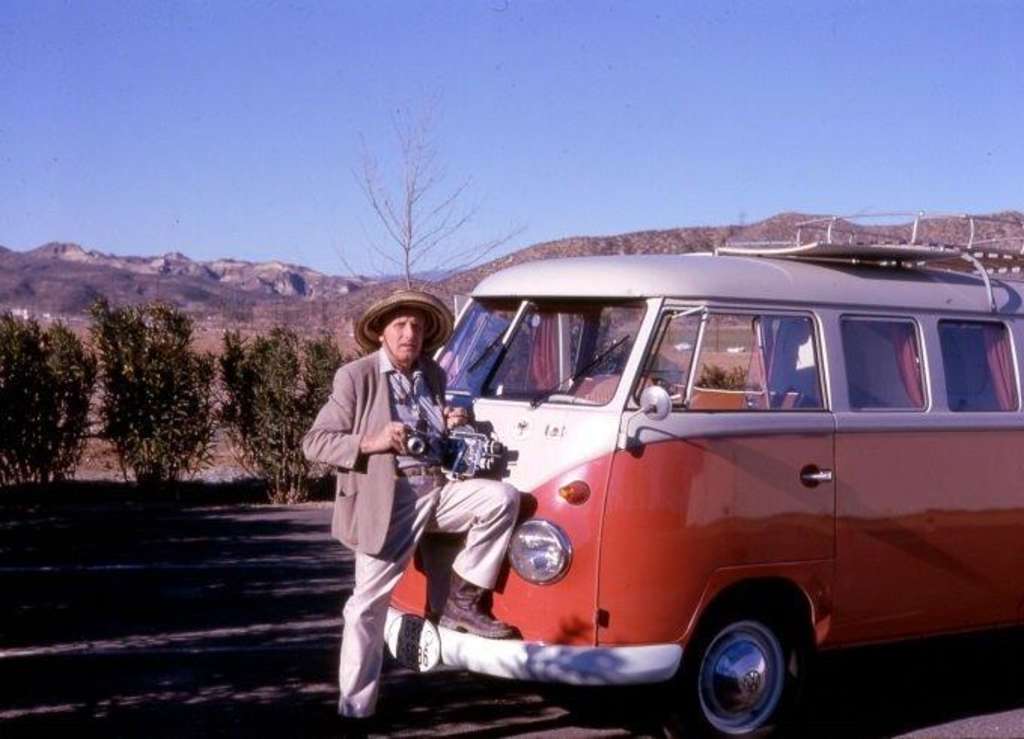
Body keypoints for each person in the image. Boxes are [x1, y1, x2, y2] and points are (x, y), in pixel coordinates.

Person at [302, 289, 520, 722]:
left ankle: (463, 599)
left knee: (501, 499)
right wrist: (373, 441)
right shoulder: (357, 377)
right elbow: (315, 442)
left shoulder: (434, 376)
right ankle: (355, 709)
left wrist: (459, 423)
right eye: (400, 325)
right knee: (366, 606)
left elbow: (438, 443)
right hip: (390, 500)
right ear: (382, 332)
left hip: (436, 491)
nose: (410, 333)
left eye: (417, 327)